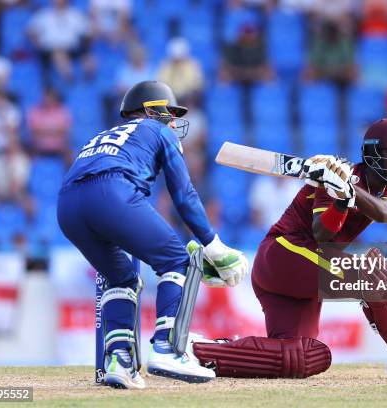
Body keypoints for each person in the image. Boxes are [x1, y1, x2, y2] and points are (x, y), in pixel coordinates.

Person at [192, 118, 387, 380]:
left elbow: (385, 213)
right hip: (284, 254)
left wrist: (348, 191)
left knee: (305, 357)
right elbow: (322, 234)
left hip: (301, 274)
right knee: (374, 272)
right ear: (372, 153)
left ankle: (201, 352)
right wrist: (341, 198)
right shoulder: (332, 179)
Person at [57, 81, 248, 389]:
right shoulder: (158, 131)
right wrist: (214, 244)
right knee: (176, 259)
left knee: (121, 278)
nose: (173, 121)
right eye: (169, 113)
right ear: (151, 110)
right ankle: (167, 348)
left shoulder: (101, 135)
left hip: (67, 205)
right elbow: (183, 194)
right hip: (112, 192)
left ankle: (119, 360)